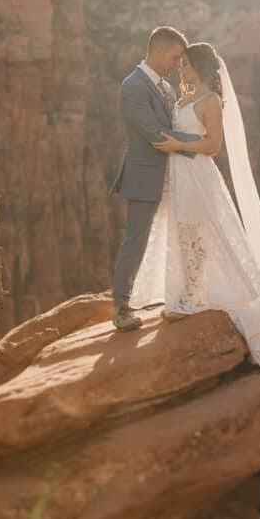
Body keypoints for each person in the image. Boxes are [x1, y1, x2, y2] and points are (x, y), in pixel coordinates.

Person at [129, 41, 260, 515]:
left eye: (186, 64)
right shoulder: (181, 100)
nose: (180, 70)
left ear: (200, 67)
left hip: (199, 177)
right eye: (179, 65)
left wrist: (175, 144)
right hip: (179, 179)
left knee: (207, 236)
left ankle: (210, 294)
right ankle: (185, 293)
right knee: (182, 235)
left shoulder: (210, 101)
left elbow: (212, 146)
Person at [109, 26, 202, 332]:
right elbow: (153, 133)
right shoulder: (133, 86)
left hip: (174, 176)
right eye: (176, 57)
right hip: (145, 176)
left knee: (182, 234)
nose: (179, 64)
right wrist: (200, 147)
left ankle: (178, 295)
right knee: (136, 239)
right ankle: (121, 307)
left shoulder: (166, 87)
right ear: (160, 51)